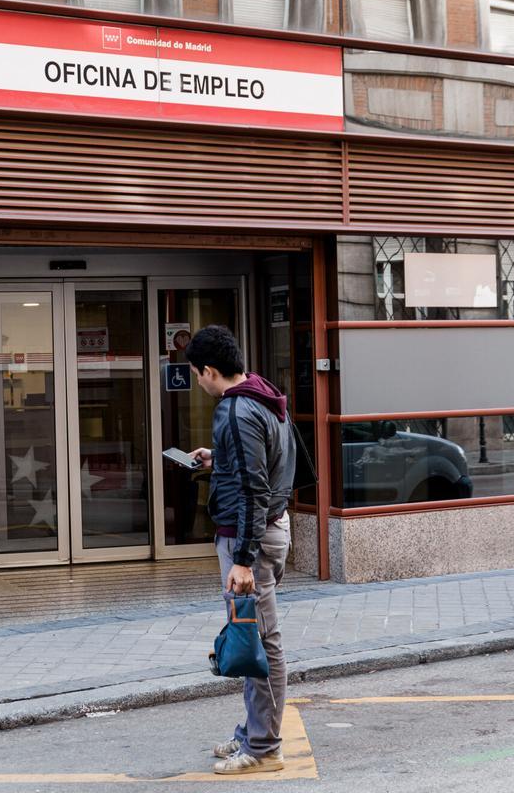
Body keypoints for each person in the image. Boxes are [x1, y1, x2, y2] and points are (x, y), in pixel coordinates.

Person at [186, 325, 295, 775]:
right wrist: (220, 458)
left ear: (210, 370)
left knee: (261, 641)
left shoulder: (234, 410)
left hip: (250, 537)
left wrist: (245, 559)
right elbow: (266, 459)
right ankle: (253, 731)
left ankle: (265, 747)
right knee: (250, 633)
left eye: (196, 374)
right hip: (273, 526)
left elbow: (254, 487)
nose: (197, 382)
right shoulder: (263, 392)